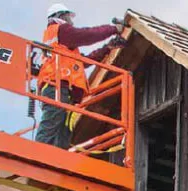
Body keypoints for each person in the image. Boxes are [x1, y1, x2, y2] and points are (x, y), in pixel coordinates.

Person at [35, 4, 125, 149]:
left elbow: (83, 62)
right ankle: (37, 154)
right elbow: (87, 35)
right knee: (52, 124)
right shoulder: (61, 30)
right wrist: (113, 29)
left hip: (62, 88)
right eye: (69, 17)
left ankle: (55, 160)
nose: (71, 21)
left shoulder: (61, 43)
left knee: (62, 130)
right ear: (60, 16)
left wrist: (107, 47)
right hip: (56, 86)